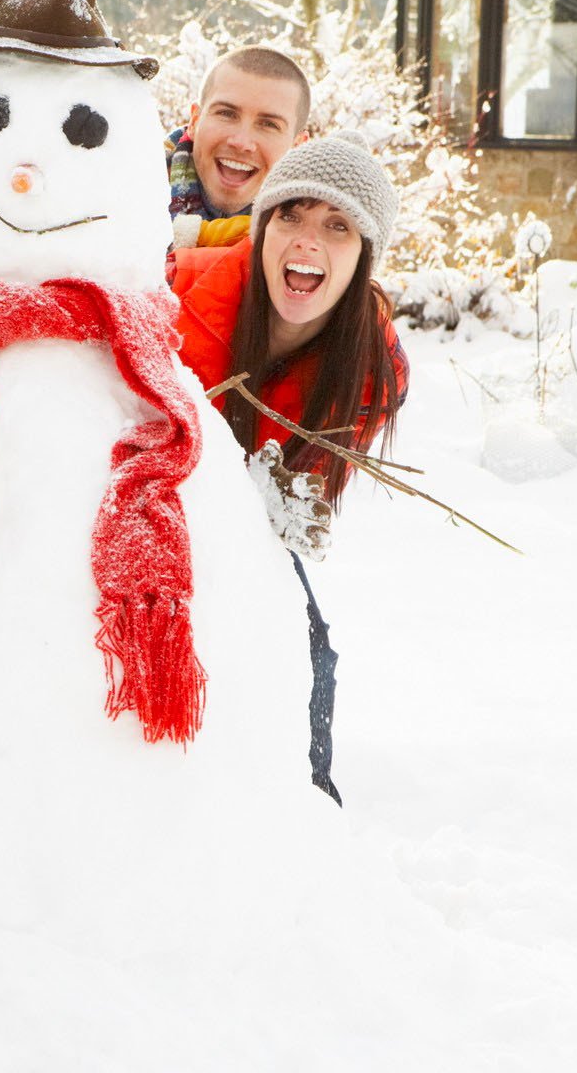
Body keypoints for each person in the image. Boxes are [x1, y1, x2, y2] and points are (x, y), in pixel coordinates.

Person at [168, 132, 410, 804]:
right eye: (292, 214)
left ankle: (303, 816)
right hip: (143, 514)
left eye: (338, 225)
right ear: (264, 226)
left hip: (245, 528)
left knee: (308, 655)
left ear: (364, 255)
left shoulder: (372, 370)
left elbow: (299, 506)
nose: (308, 239)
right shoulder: (176, 296)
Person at [167, 45, 312, 251]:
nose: (242, 142)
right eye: (226, 113)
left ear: (298, 148)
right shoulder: (121, 202)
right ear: (195, 121)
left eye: (269, 124)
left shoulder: (309, 250)